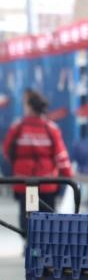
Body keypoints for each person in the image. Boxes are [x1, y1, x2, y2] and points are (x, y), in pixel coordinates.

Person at [2, 89, 73, 232]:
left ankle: (30, 241)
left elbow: (7, 150)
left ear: (29, 107)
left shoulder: (18, 127)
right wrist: (68, 177)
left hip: (28, 185)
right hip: (47, 182)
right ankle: (44, 242)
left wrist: (19, 166)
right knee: (48, 221)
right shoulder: (51, 128)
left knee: (30, 218)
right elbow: (61, 155)